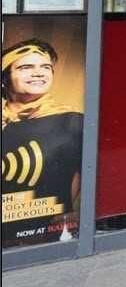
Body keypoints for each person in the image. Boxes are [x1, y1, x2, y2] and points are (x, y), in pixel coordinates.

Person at [1, 39, 83, 247]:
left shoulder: (72, 121)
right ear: (5, 77)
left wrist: (71, 214)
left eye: (45, 67)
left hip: (48, 232)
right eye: (26, 67)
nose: (38, 73)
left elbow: (82, 176)